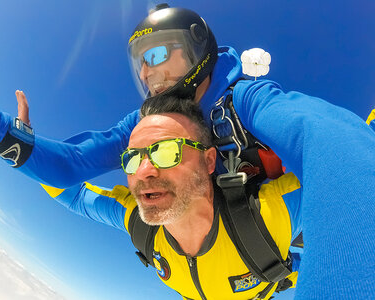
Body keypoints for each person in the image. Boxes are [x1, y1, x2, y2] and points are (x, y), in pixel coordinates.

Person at [0, 3, 375, 298]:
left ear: (197, 49)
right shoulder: (143, 127)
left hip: (263, 238)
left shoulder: (245, 100)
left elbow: (331, 142)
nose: (147, 73)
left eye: (155, 56)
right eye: (140, 66)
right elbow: (71, 170)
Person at [41, 96, 301, 300]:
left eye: (167, 152)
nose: (143, 172)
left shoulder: (270, 212)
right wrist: (29, 151)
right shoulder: (140, 224)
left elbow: (336, 172)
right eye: (132, 158)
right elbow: (71, 194)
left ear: (209, 160)